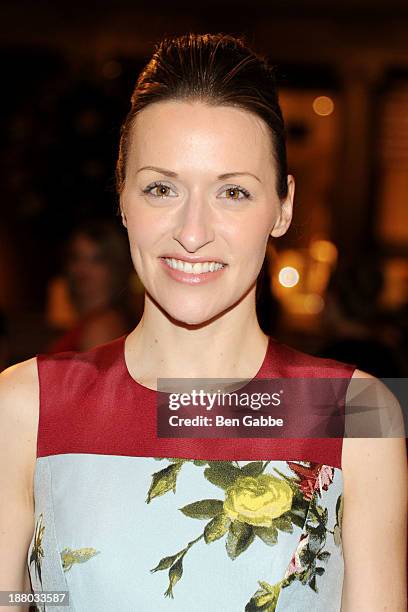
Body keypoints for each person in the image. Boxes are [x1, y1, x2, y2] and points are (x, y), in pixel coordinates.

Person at [0, 33, 406, 612]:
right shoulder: (25, 404)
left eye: (233, 192)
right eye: (161, 188)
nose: (193, 232)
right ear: (122, 196)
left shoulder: (358, 412)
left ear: (283, 206)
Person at [46, 219, 141, 353]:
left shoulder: (100, 327)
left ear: (114, 268)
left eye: (96, 260)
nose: (82, 268)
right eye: (77, 258)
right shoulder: (90, 321)